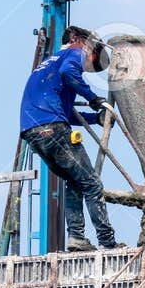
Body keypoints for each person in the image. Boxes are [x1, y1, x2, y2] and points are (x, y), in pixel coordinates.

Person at [19, 25, 118, 251]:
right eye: (94, 54)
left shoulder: (47, 66)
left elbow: (64, 111)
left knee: (75, 181)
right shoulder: (72, 55)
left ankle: (76, 237)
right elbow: (69, 73)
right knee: (92, 184)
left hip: (35, 132)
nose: (90, 62)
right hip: (52, 128)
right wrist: (93, 98)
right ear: (80, 41)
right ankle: (108, 242)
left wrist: (95, 119)